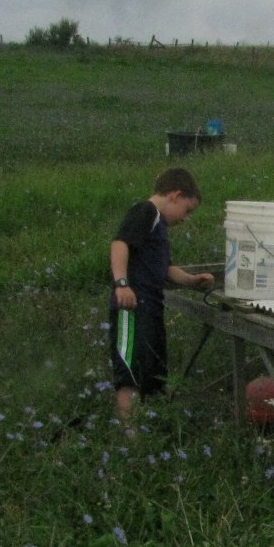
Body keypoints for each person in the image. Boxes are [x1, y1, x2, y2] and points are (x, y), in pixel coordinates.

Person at [109, 167, 216, 418]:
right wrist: (122, 284)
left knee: (151, 368)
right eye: (187, 210)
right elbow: (119, 244)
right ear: (175, 196)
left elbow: (165, 269)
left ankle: (149, 425)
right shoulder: (146, 212)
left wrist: (191, 280)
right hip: (132, 307)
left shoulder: (159, 225)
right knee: (131, 372)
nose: (186, 218)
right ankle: (130, 433)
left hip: (152, 308)